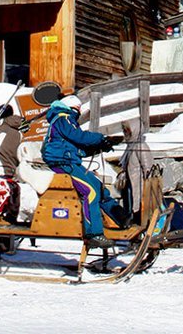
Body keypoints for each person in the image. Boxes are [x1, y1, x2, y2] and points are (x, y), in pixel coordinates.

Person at [41, 94, 128, 248]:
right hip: (62, 163)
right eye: (77, 111)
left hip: (69, 161)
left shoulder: (65, 121)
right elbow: (79, 137)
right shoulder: (63, 118)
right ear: (73, 108)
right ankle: (93, 234)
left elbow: (78, 148)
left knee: (99, 188)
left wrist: (100, 146)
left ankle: (121, 217)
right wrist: (100, 138)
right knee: (91, 192)